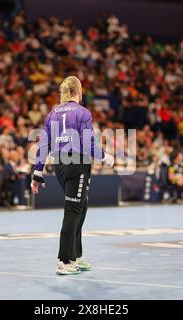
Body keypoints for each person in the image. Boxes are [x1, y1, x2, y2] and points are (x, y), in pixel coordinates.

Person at [30, 76, 114, 275]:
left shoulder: (52, 113)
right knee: (73, 210)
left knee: (80, 206)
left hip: (60, 164)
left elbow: (44, 145)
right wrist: (105, 157)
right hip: (77, 163)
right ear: (79, 91)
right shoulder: (83, 112)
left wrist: (37, 172)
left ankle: (75, 255)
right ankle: (64, 260)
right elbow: (87, 144)